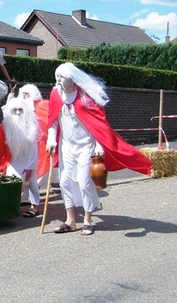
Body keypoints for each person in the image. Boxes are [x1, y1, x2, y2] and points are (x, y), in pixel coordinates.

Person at [46, 62, 152, 236]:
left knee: (84, 182)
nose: (58, 80)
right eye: (56, 76)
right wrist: (51, 139)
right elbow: (52, 119)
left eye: (62, 77)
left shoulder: (87, 97)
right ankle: (70, 220)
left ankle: (87, 220)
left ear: (72, 80)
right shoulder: (55, 94)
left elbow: (99, 124)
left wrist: (98, 145)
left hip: (86, 145)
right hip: (67, 146)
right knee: (64, 181)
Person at [0, 96, 41, 217]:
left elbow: (34, 148)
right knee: (13, 182)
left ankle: (35, 207)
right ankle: (12, 206)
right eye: (14, 110)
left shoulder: (31, 126)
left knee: (32, 182)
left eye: (20, 110)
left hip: (28, 159)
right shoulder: (6, 126)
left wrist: (30, 166)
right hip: (12, 161)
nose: (18, 113)